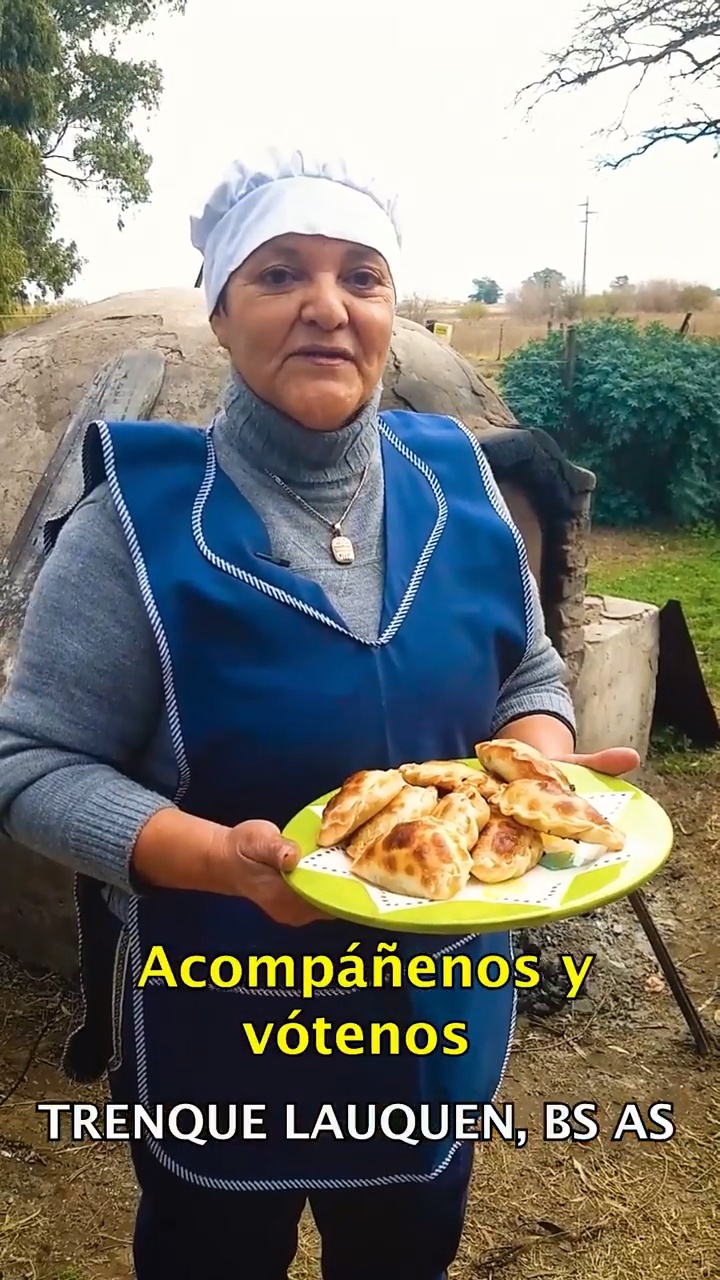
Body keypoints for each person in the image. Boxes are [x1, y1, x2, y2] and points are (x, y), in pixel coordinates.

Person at [0, 147, 639, 1280]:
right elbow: (32, 761)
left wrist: (534, 773)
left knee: (404, 1251)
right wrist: (213, 858)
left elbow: (527, 674)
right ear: (222, 313)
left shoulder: (462, 483)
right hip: (226, 1007)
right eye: (281, 272)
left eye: (363, 275)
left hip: (431, 1011)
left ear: (392, 310)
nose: (326, 307)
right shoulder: (136, 523)